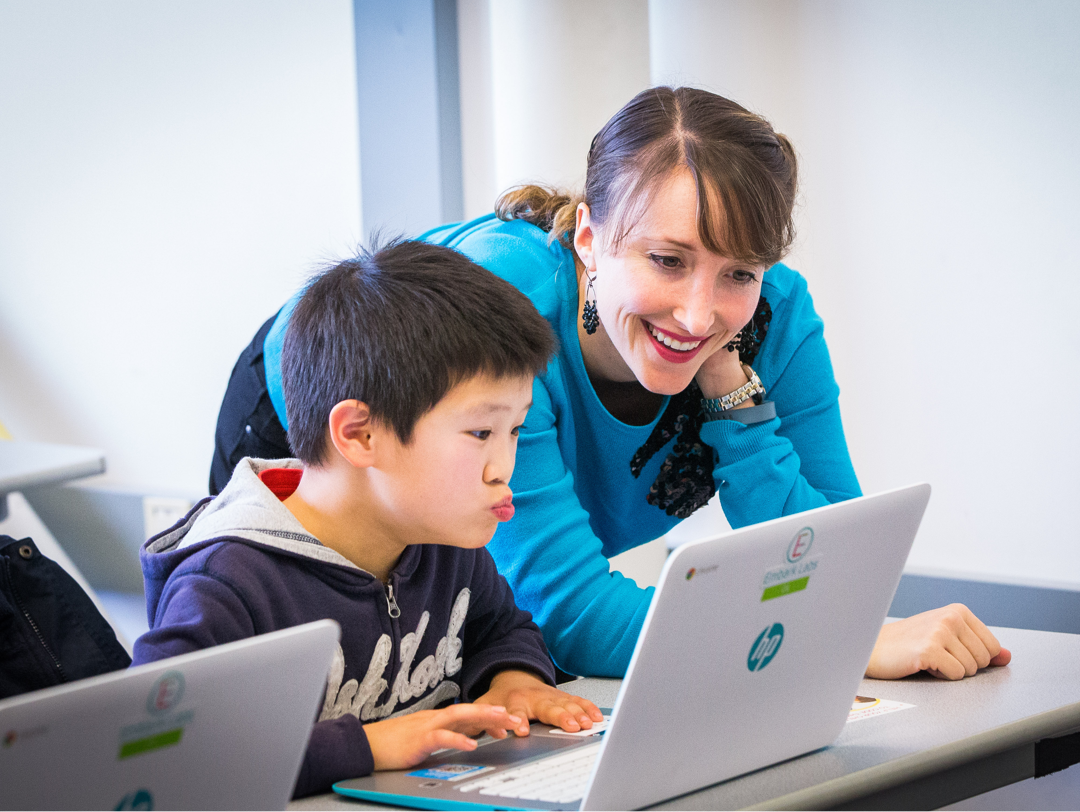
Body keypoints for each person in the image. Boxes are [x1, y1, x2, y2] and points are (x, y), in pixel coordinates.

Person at [210, 86, 1010, 682]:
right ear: (590, 237)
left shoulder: (771, 317)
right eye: (667, 260)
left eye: (739, 271)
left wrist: (731, 392)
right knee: (346, 688)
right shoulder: (510, 316)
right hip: (319, 414)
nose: (698, 311)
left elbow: (839, 557)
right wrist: (829, 646)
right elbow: (571, 613)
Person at [135, 240, 603, 798]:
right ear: (360, 435)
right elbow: (165, 755)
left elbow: (502, 629)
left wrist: (515, 680)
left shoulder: (440, 539)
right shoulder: (227, 584)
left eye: (515, 430)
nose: (504, 467)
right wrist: (367, 747)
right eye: (481, 432)